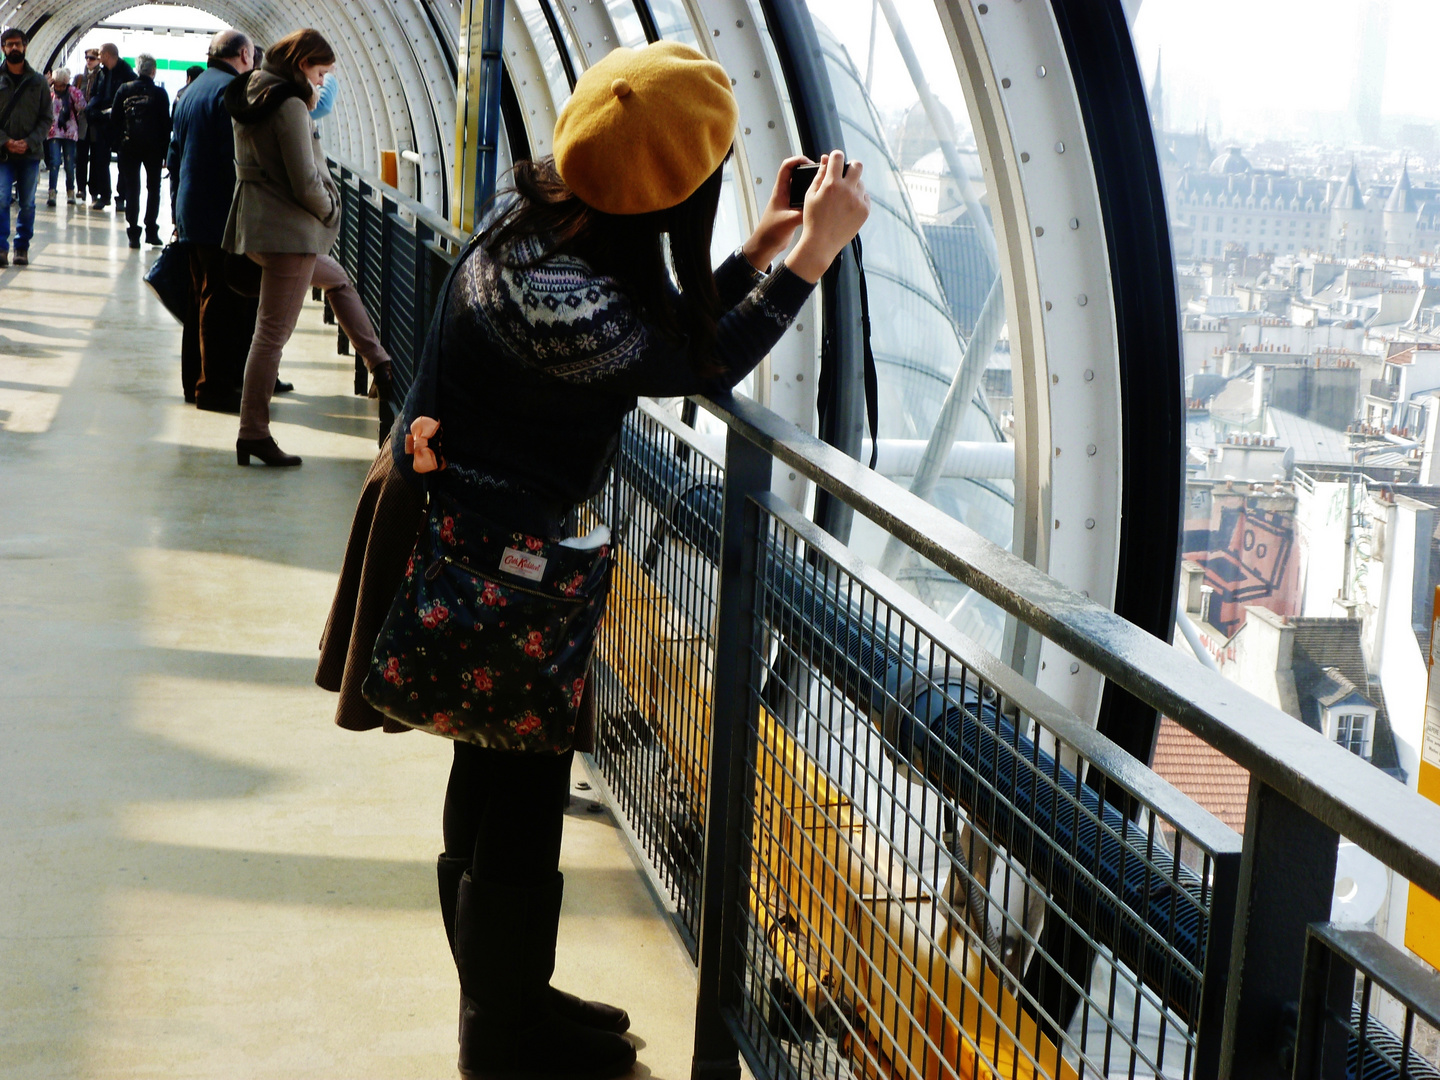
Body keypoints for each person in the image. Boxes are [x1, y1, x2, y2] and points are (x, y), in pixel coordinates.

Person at [314, 40, 869, 1080]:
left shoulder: (532, 226)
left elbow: (640, 327)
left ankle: (511, 998)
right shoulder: (572, 297)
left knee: (490, 783)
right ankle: (504, 1036)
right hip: (507, 576)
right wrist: (810, 259)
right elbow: (690, 360)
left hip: (475, 554)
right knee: (514, 809)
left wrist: (758, 247)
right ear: (671, 191)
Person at [223, 28, 391, 468]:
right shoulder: (290, 105)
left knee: (337, 280)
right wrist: (332, 208)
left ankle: (379, 364)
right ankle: (253, 433)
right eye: (319, 73)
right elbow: (304, 180)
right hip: (289, 235)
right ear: (301, 65)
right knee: (271, 336)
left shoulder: (253, 88)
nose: (320, 82)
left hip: (257, 225)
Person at [169, 29, 259, 411]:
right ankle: (214, 387)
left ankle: (195, 380)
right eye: (252, 57)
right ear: (242, 54)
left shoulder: (191, 91)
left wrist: (177, 209)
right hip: (220, 213)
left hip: (192, 209)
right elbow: (234, 161)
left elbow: (173, 154)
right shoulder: (230, 93)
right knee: (220, 301)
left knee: (200, 298)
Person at [0, 26, 51, 268]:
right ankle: (1, 248)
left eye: (17, 44)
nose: (14, 48)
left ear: (25, 46)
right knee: (1, 199)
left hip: (30, 154)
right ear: (3, 49)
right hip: (2, 153)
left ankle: (21, 247)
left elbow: (46, 118)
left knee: (27, 202)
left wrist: (29, 142)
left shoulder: (38, 81)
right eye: (9, 44)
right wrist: (5, 141)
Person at [112, 53, 170, 248]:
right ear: (153, 71)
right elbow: (165, 125)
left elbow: (115, 120)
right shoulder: (160, 94)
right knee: (154, 188)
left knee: (132, 188)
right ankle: (151, 230)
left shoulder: (124, 89)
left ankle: (133, 233)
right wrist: (165, 152)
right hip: (153, 148)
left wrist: (118, 145)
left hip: (128, 146)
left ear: (138, 69)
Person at [84, 42, 135, 211]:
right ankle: (104, 195)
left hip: (120, 122)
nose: (98, 57)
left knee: (124, 161)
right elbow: (97, 94)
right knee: (100, 159)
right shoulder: (101, 73)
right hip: (102, 122)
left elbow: (130, 95)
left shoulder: (127, 73)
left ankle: (121, 197)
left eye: (100, 54)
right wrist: (92, 108)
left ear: (107, 55)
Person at [44, 65, 84, 207]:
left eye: (62, 85)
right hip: (54, 131)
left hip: (69, 131)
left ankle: (70, 191)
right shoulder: (49, 93)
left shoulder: (73, 92)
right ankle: (52, 192)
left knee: (69, 163)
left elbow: (81, 106)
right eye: (57, 85)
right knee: (54, 162)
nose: (59, 88)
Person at [74, 49, 100, 200]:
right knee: (81, 157)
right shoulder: (79, 79)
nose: (89, 61)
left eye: (92, 58)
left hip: (96, 124)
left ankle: (94, 189)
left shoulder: (102, 77)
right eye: (87, 58)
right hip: (81, 124)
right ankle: (81, 187)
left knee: (96, 158)